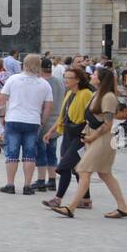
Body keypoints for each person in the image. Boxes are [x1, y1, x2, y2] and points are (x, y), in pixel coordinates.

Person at [52, 66, 127, 220]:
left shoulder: (108, 97)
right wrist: (86, 133)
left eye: (95, 74)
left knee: (83, 170)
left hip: (104, 140)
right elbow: (92, 119)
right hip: (96, 138)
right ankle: (123, 207)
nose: (92, 75)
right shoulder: (96, 94)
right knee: (105, 174)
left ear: (101, 79)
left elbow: (108, 124)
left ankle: (71, 207)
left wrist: (92, 136)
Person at [0, 54, 54, 195]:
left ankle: (10, 184)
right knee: (30, 154)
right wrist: (42, 121)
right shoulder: (44, 83)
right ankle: (27, 185)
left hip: (14, 118)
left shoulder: (13, 79)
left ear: (24, 64)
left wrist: (2, 116)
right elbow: (48, 107)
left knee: (12, 153)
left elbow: (2, 99)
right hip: (33, 121)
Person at [42, 66, 94, 210]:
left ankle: (58, 199)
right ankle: (86, 199)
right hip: (68, 134)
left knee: (63, 167)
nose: (65, 80)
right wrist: (51, 131)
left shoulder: (86, 94)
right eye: (65, 77)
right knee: (76, 168)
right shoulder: (70, 93)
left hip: (80, 136)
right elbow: (63, 116)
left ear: (77, 80)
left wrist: (89, 135)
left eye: (68, 77)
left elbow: (92, 115)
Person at [34, 57, 65, 191]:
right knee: (52, 152)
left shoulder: (42, 83)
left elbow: (43, 105)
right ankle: (52, 180)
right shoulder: (60, 82)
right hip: (57, 121)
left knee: (41, 151)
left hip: (45, 121)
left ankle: (41, 180)